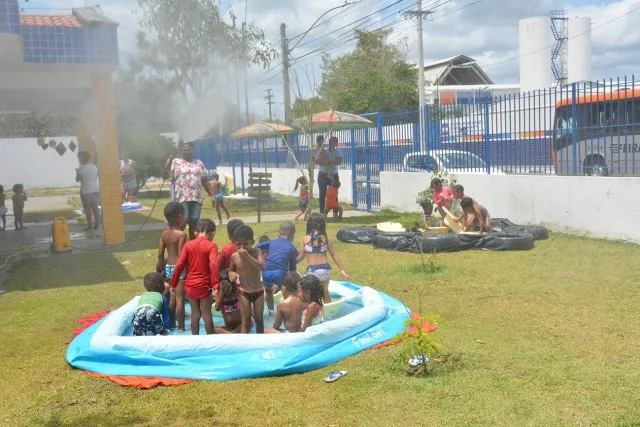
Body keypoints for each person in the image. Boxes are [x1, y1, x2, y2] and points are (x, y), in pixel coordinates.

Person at [170, 219, 228, 335]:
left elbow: (179, 264)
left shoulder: (188, 245)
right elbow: (213, 264)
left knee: (195, 314)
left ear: (196, 232)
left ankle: (194, 339)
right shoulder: (211, 246)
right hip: (204, 285)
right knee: (206, 314)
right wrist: (216, 284)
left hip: (190, 286)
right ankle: (210, 340)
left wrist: (173, 283)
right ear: (212, 233)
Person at [297, 213, 349, 303]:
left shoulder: (305, 239)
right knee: (325, 292)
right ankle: (328, 311)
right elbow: (333, 255)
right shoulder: (326, 239)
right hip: (325, 270)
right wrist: (342, 269)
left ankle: (313, 312)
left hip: (313, 271)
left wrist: (292, 264)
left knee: (311, 294)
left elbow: (301, 256)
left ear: (309, 224)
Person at [170, 142, 212, 240]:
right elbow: (165, 175)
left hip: (196, 198)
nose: (187, 152)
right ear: (181, 151)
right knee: (182, 223)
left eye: (189, 149)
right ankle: (178, 247)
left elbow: (205, 180)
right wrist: (171, 155)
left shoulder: (199, 163)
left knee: (194, 224)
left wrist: (212, 195)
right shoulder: (176, 162)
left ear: (193, 150)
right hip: (182, 198)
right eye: (185, 150)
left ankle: (193, 247)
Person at [229, 225, 266, 334]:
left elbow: (262, 267)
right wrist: (231, 273)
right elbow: (231, 270)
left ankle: (260, 341)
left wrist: (247, 256)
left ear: (252, 242)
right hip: (243, 292)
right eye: (238, 244)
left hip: (258, 291)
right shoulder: (234, 256)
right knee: (246, 320)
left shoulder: (257, 252)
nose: (242, 247)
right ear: (234, 243)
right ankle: (244, 344)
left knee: (259, 319)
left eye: (245, 244)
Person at [256, 221, 298, 314]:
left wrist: (261, 258)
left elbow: (257, 247)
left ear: (279, 233)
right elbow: (292, 270)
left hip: (266, 273)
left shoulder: (272, 242)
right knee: (289, 293)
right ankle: (287, 312)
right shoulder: (292, 248)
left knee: (268, 291)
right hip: (280, 274)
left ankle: (271, 312)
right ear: (293, 236)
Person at [157, 202, 187, 331]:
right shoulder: (181, 234)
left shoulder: (164, 234)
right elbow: (181, 255)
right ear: (180, 216)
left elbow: (159, 254)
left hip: (168, 267)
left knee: (172, 297)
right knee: (180, 299)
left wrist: (163, 270)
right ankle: (181, 328)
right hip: (178, 268)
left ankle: (171, 324)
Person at [131, 272, 170, 336]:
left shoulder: (143, 296)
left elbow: (141, 309)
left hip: (138, 314)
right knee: (161, 333)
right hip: (152, 312)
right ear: (160, 286)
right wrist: (167, 329)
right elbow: (166, 316)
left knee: (138, 333)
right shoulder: (162, 297)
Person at [316, 136, 342, 214]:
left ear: (336, 144)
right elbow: (318, 161)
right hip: (323, 174)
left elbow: (339, 161)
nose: (332, 144)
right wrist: (326, 161)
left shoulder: (338, 151)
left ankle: (336, 212)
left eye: (334, 142)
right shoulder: (324, 151)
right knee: (322, 193)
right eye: (330, 142)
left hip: (333, 174)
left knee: (334, 193)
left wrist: (329, 162)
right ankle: (322, 212)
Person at [75, 151, 100, 231]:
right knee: (95, 207)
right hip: (95, 189)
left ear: (81, 159)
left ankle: (90, 226)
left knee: (88, 208)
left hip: (86, 190)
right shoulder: (94, 167)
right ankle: (97, 224)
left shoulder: (81, 168)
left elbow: (78, 180)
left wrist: (77, 173)